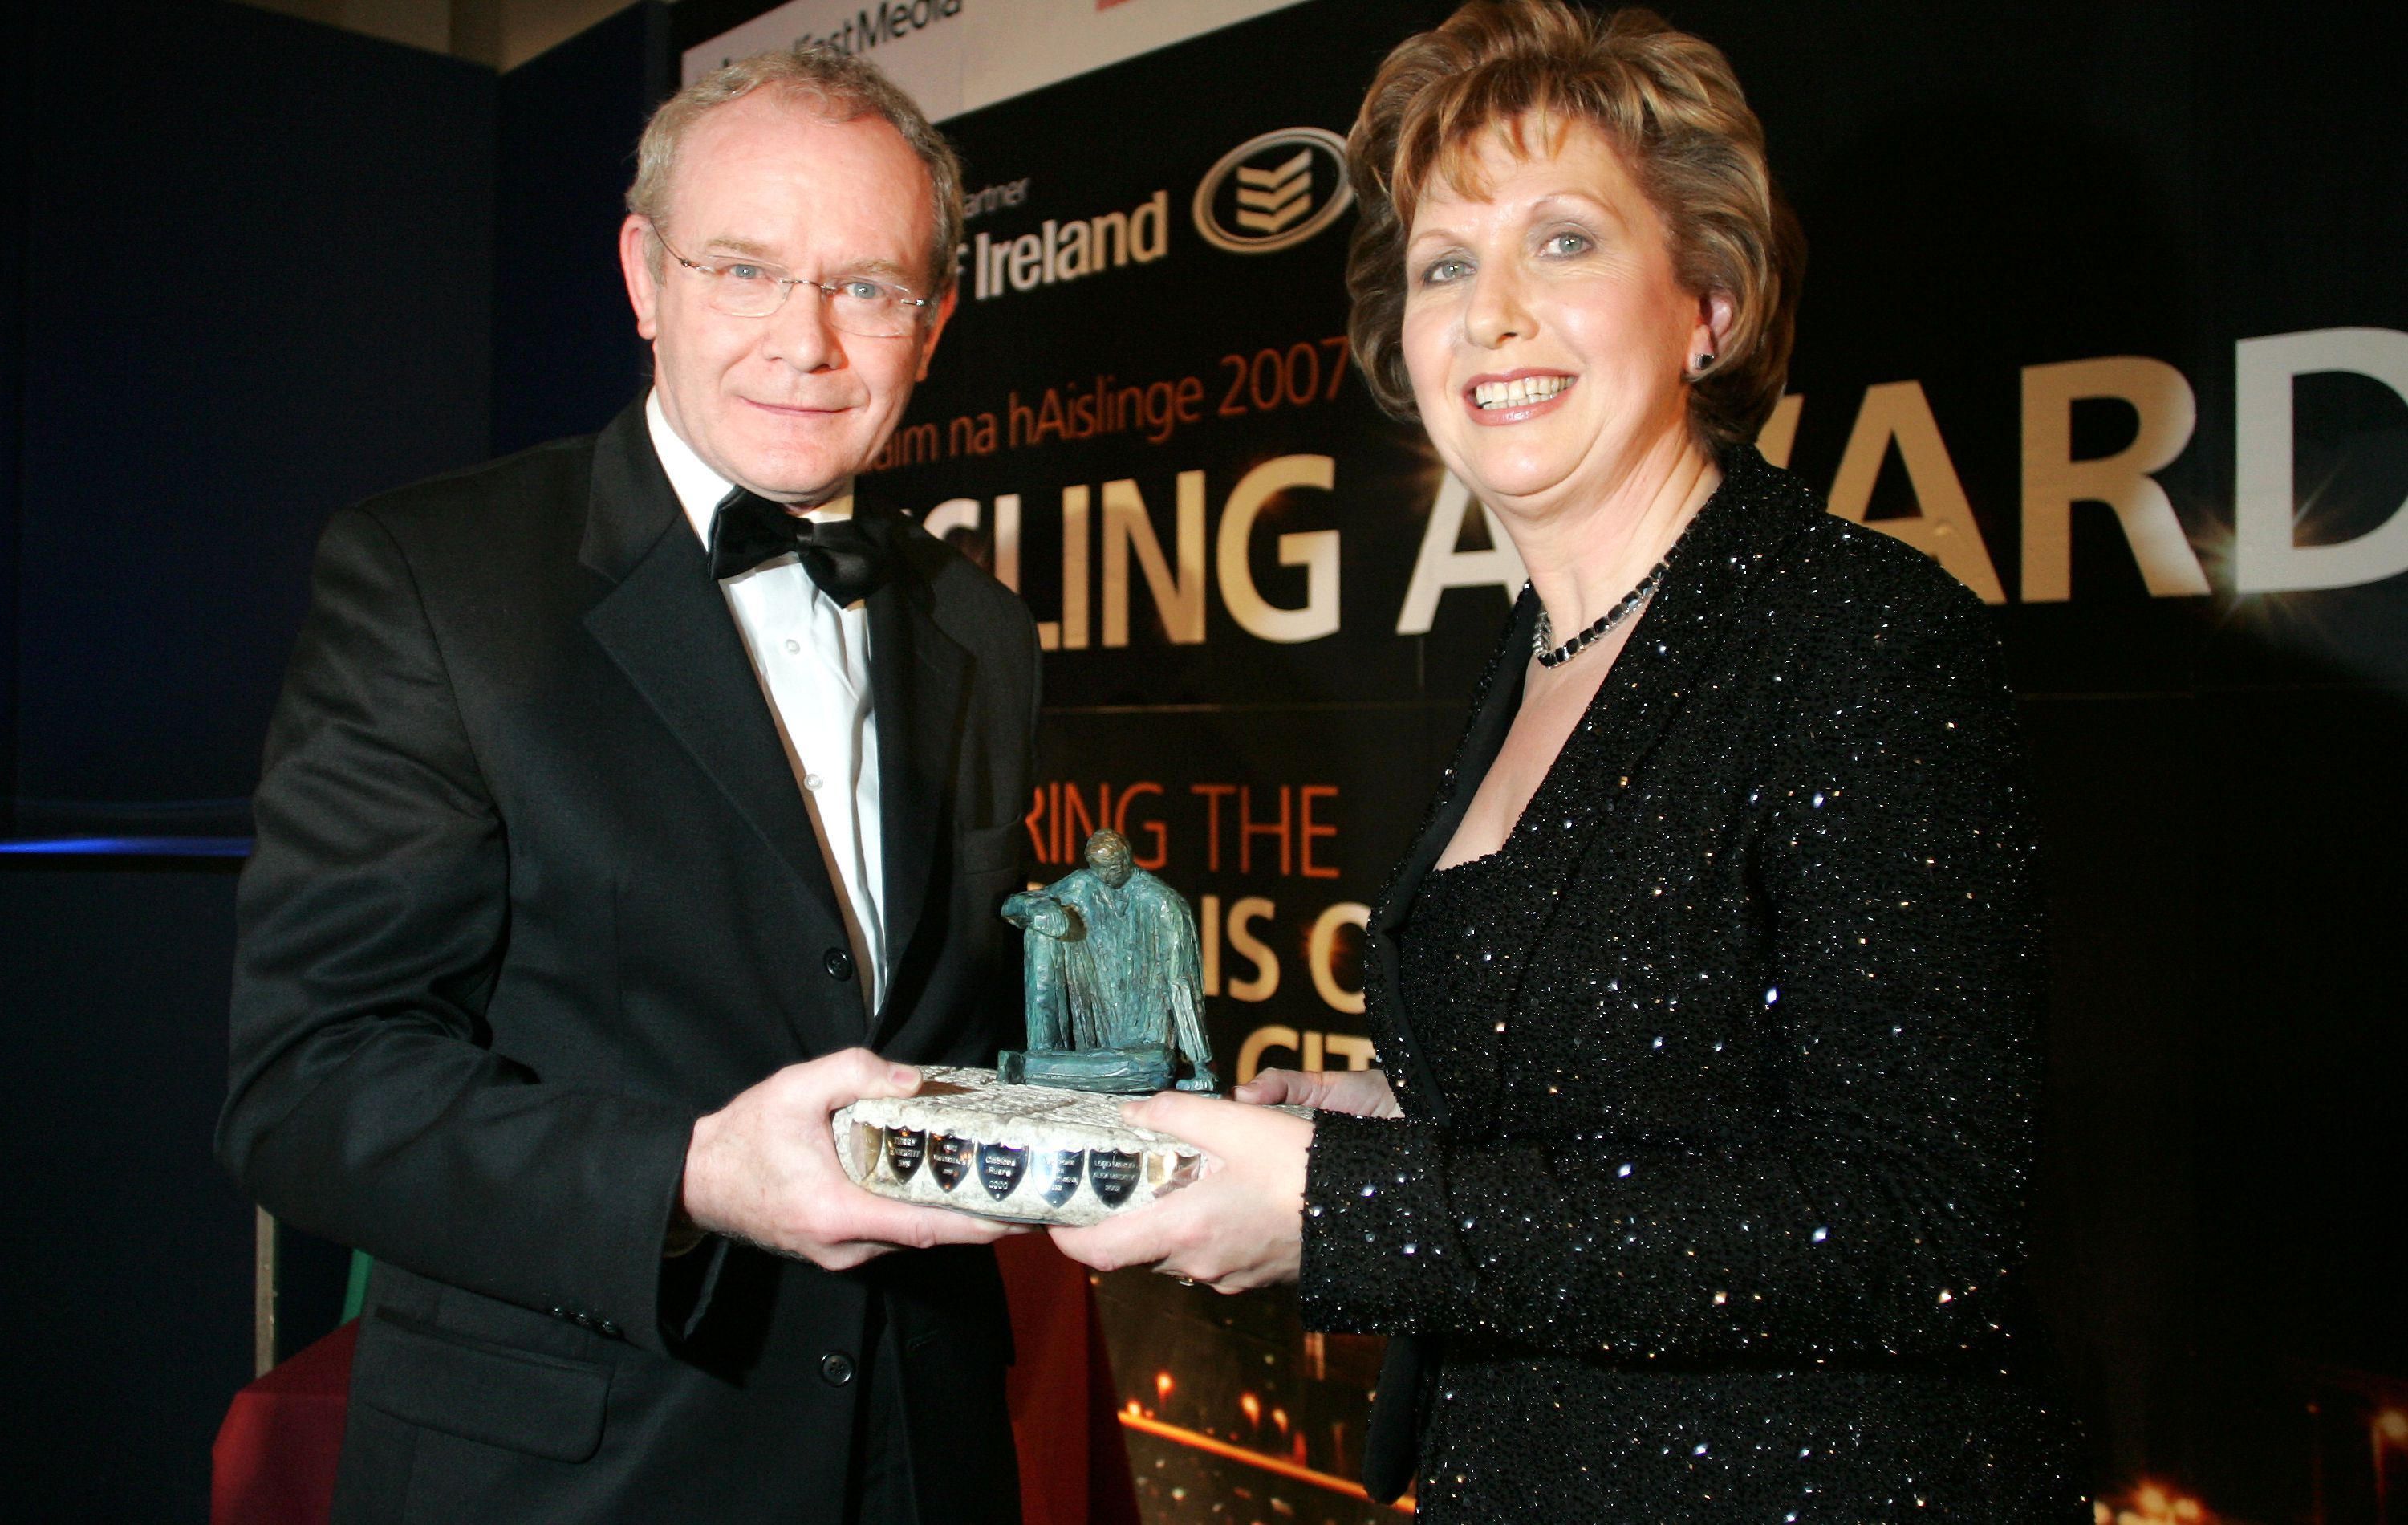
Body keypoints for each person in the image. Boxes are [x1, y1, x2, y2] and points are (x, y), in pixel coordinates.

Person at [1048, 4, 2087, 1519]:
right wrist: (1389, 1124)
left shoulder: (1861, 640)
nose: (1491, 313)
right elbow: (1662, 1093)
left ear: (1707, 305)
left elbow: (1919, 1229)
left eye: (1564, 243)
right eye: (1445, 265)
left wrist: (1344, 1210)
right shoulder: (1540, 648)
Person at [217, 45, 1038, 1525]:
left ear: (933, 325)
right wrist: (695, 1174)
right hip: (573, 1475)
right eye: (744, 269)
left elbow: (947, 1020)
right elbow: (308, 1087)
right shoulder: (432, 578)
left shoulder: (981, 626)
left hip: (923, 1463)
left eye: (867, 286)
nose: (808, 344)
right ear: (643, 275)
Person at [999, 828, 1216, 1093]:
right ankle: (1046, 1058)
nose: (1102, 876)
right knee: (1039, 932)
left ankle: (1036, 1068)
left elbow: (1182, 985)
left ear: (1126, 861)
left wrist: (1200, 1063)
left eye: (1109, 868)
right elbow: (1012, 906)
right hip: (1090, 1037)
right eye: (1096, 868)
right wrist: (1038, 908)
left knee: (1155, 1068)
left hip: (1143, 1048)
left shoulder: (1163, 905)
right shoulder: (1084, 885)